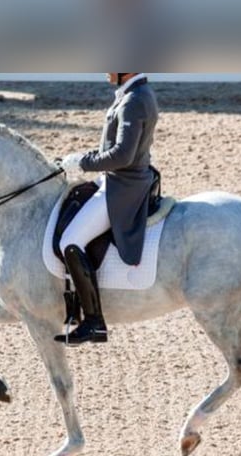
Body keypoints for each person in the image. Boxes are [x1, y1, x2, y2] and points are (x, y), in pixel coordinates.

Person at [55, 73, 159, 346]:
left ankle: (93, 321)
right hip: (117, 179)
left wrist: (83, 163)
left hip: (122, 186)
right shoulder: (134, 93)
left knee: (70, 240)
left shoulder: (133, 101)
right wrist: (84, 158)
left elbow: (122, 156)